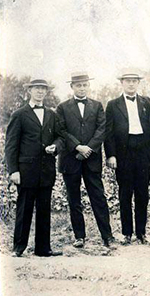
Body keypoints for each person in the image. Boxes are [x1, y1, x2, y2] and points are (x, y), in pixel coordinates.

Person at [4, 79, 64, 257]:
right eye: (36, 89)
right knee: (24, 209)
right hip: (26, 171)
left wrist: (55, 147)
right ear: (29, 91)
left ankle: (43, 249)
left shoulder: (52, 115)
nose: (40, 92)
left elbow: (60, 138)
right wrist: (13, 170)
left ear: (46, 92)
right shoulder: (19, 114)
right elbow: (11, 145)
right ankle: (19, 248)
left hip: (46, 169)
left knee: (45, 210)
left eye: (43, 89)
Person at [104, 68, 150, 245]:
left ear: (138, 83)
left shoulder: (147, 102)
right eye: (127, 81)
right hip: (124, 153)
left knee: (142, 193)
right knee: (125, 193)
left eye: (134, 81)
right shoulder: (113, 105)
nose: (131, 84)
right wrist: (111, 155)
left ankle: (141, 233)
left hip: (143, 152)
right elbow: (109, 133)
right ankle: (127, 233)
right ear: (121, 83)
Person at [56, 71, 114, 248]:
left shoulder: (97, 106)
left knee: (98, 197)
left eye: (85, 85)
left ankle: (107, 236)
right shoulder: (62, 107)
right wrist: (77, 146)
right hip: (70, 159)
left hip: (92, 159)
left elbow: (102, 129)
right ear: (72, 87)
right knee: (74, 199)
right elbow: (61, 130)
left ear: (89, 86)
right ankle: (79, 237)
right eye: (78, 85)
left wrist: (89, 147)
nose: (82, 88)